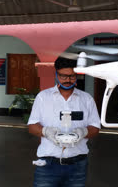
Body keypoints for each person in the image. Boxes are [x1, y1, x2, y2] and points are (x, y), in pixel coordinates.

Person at [28, 57, 101, 187]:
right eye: (63, 76)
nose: (68, 80)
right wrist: (46, 131)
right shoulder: (43, 97)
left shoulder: (86, 99)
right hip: (47, 164)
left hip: (77, 164)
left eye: (72, 76)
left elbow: (95, 127)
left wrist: (83, 132)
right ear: (56, 74)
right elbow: (32, 126)